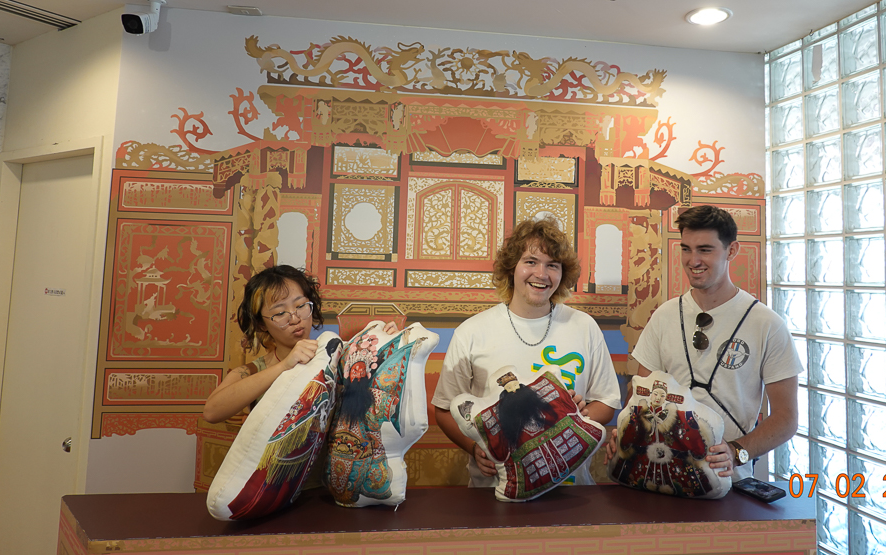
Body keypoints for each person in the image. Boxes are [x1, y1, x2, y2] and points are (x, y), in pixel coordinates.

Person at [432, 217, 621, 486]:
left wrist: (576, 416)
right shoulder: (471, 332)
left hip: (571, 491)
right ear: (512, 267)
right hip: (493, 493)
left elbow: (606, 402)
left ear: (562, 274)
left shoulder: (584, 326)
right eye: (531, 261)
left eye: (552, 265)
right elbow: (444, 409)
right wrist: (474, 448)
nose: (541, 274)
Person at [620, 205, 801, 480]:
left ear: (732, 251)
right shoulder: (664, 316)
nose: (693, 261)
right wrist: (624, 437)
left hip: (730, 482)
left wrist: (736, 452)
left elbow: (786, 419)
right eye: (686, 249)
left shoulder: (767, 324)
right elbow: (640, 398)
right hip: (662, 476)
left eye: (705, 250)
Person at [203, 264, 399, 424]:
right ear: (261, 323)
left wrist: (389, 345)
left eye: (301, 305)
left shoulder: (338, 355)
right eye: (280, 313)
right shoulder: (253, 371)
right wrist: (284, 365)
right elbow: (211, 413)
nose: (295, 318)